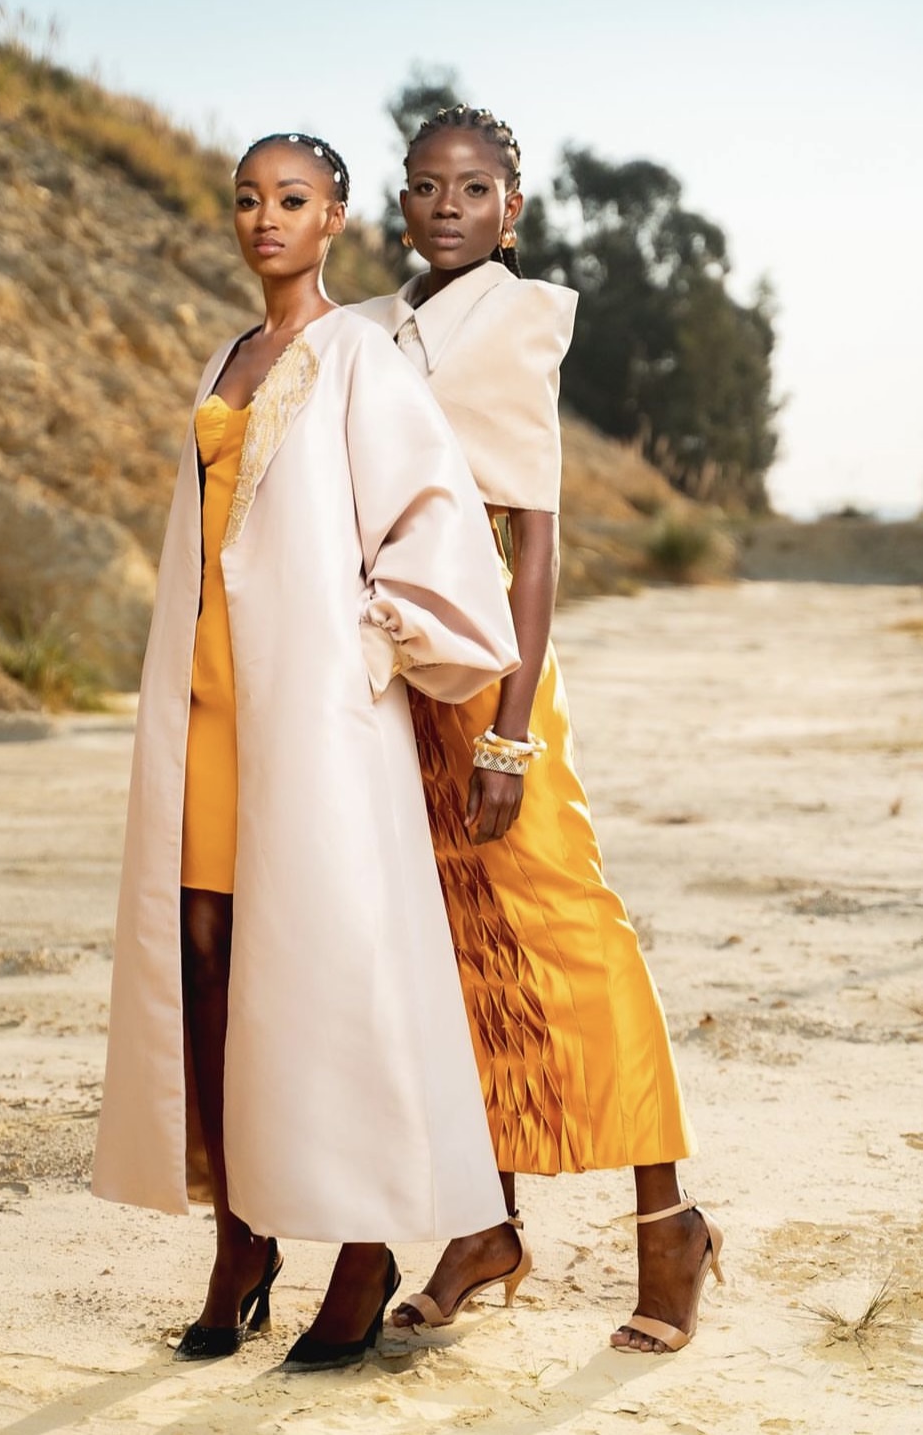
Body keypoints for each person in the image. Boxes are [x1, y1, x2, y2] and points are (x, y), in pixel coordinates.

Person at [91, 130, 523, 1372]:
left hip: (313, 716)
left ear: (335, 218)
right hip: (204, 705)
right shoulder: (228, 356)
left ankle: (363, 1247)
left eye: (292, 199)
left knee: (331, 965)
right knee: (205, 959)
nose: (265, 219)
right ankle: (242, 1240)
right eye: (247, 200)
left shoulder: (360, 358)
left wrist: (370, 636)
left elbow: (434, 518)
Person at [353, 105, 723, 1356]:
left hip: (491, 684)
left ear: (514, 208)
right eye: (425, 185)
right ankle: (485, 1224)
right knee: (452, 948)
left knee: (571, 933)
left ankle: (670, 1225)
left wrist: (509, 736)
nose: (447, 206)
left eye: (474, 189)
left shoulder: (513, 320)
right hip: (392, 679)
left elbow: (537, 541)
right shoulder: (377, 326)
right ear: (402, 201)